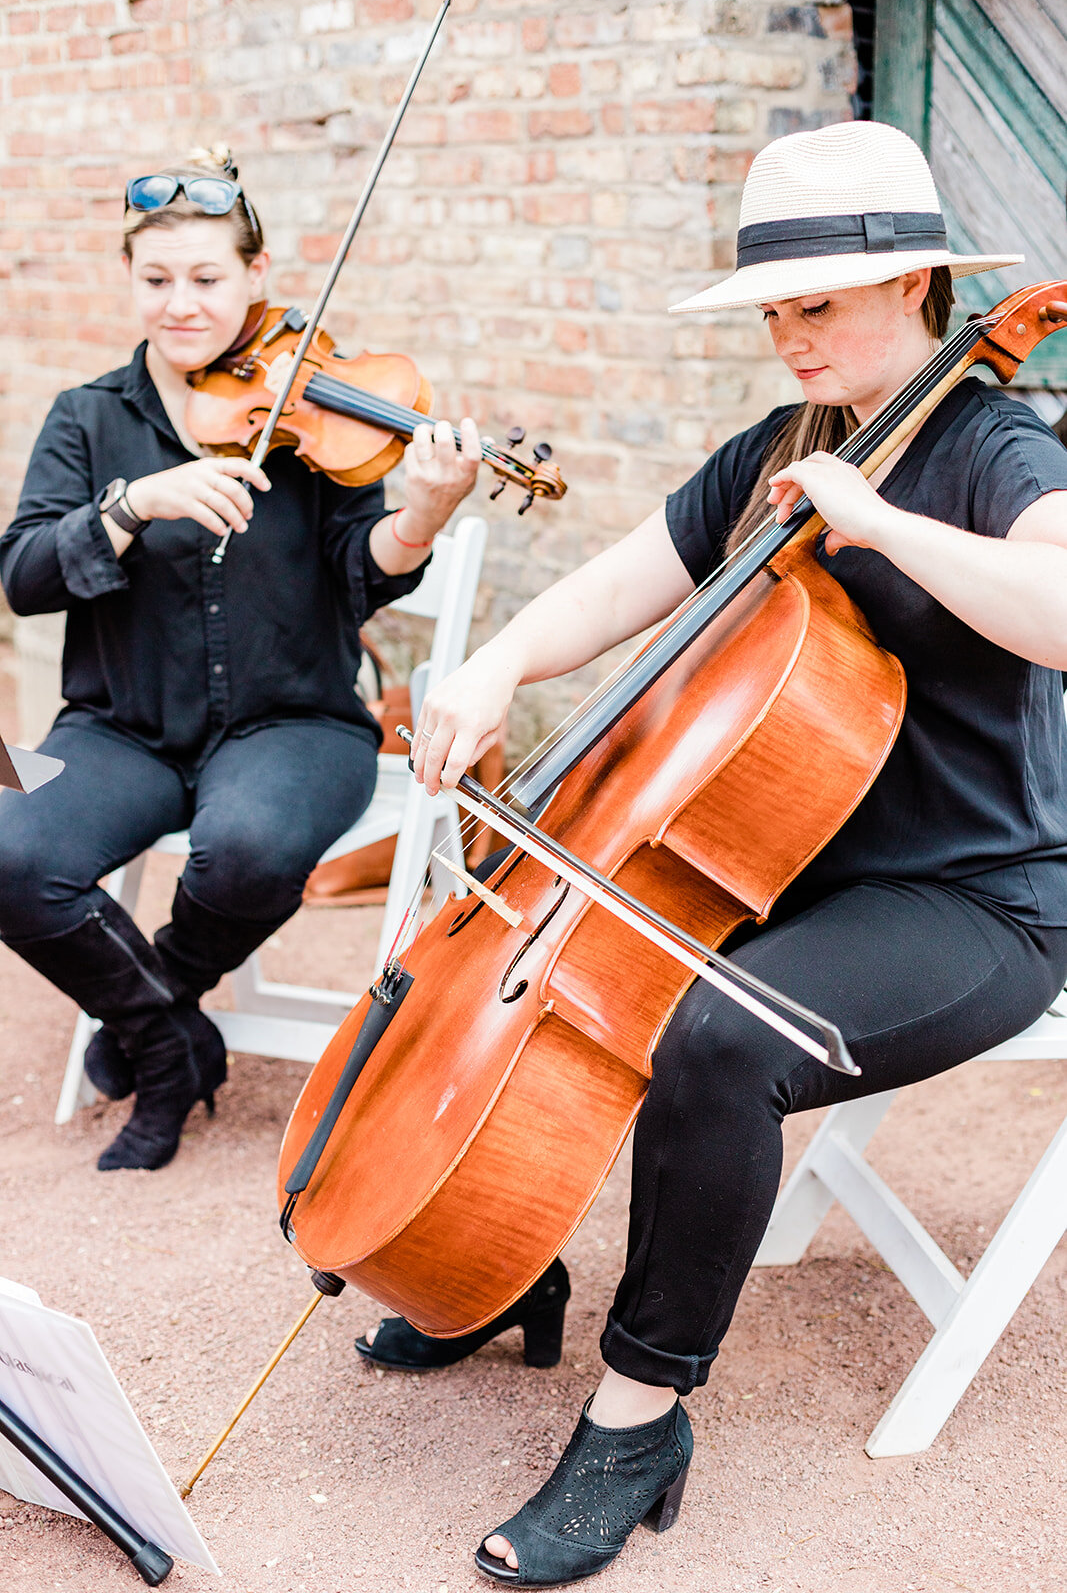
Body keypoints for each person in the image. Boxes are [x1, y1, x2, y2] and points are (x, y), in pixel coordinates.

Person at [357, 121, 1067, 1586]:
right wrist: (490, 666)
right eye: (772, 309)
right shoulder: (777, 449)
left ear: (914, 285)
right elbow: (626, 581)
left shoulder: (998, 445)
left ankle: (637, 1415)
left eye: (814, 304)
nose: (785, 334)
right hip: (788, 867)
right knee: (563, 962)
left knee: (716, 1041)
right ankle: (499, 1258)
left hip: (974, 897)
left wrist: (881, 526)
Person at [0, 146, 479, 1173]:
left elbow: (364, 567)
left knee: (250, 847)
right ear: (130, 278)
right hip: (118, 723)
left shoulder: (320, 405)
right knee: (6, 844)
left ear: (257, 276)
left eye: (207, 278)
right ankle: (172, 1048)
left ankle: (154, 1009)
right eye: (157, 279)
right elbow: (22, 577)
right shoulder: (88, 416)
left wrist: (424, 514)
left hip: (295, 719)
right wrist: (134, 503)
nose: (182, 304)